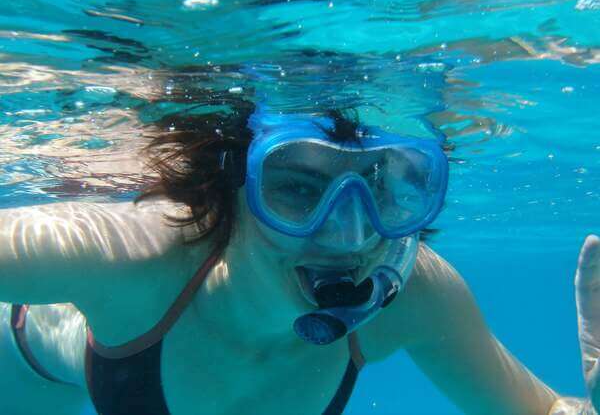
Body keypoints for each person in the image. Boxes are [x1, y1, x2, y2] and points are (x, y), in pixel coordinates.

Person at [0, 100, 597, 415]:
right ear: (234, 190)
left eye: (384, 187)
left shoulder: (414, 295)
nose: (350, 236)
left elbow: (542, 410)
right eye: (298, 187)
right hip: (26, 377)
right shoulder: (142, 254)